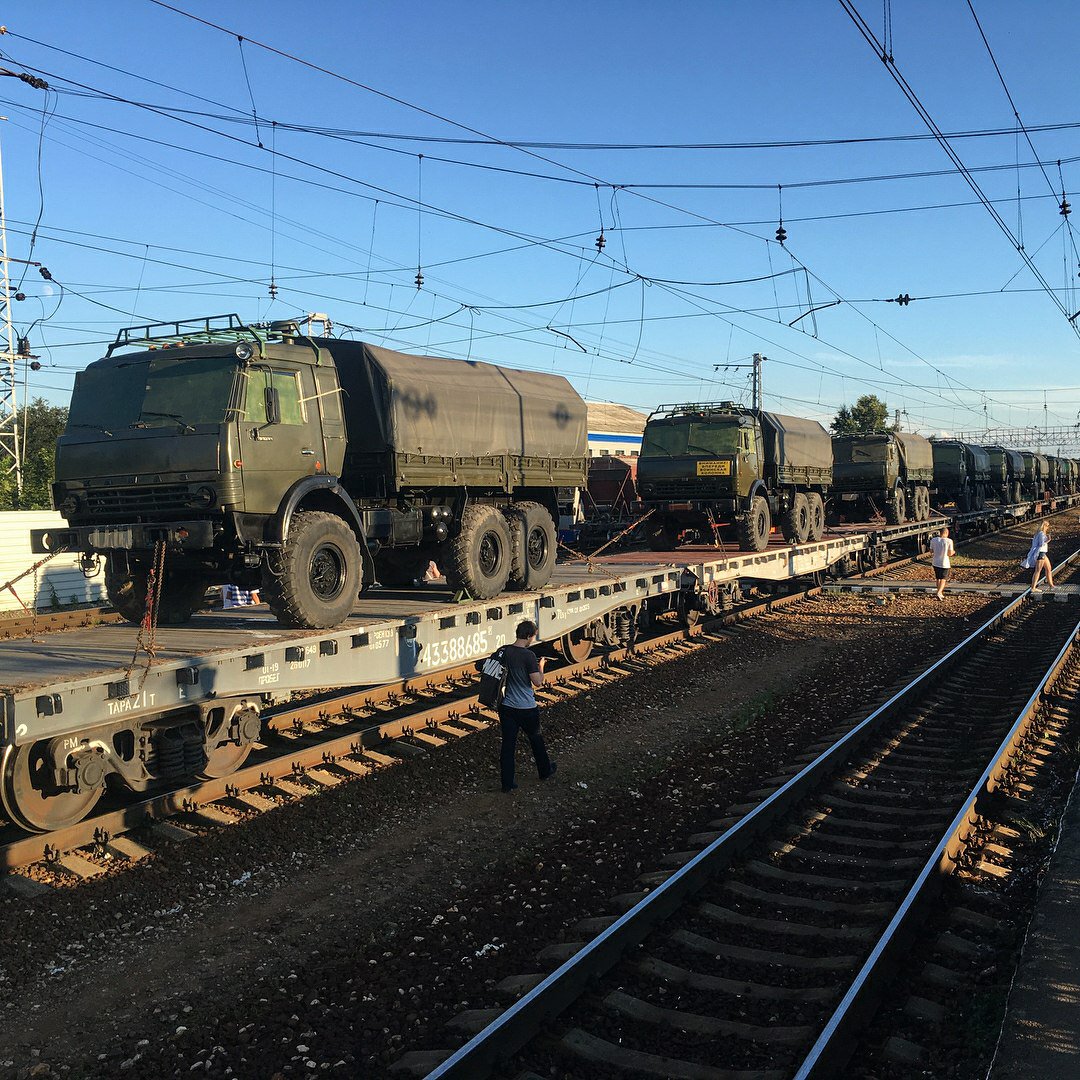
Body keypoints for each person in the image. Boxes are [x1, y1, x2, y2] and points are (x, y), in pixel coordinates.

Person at [498, 619, 557, 793]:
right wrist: (541, 667)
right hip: (526, 708)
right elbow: (537, 682)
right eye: (533, 636)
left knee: (508, 745)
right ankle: (545, 771)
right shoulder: (528, 656)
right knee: (536, 740)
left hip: (506, 706)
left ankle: (507, 783)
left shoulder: (504, 651)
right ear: (529, 636)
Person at [929, 525, 954, 601]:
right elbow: (949, 554)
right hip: (944, 563)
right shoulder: (949, 541)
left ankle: (939, 592)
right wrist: (953, 552)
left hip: (935, 562)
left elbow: (931, 551)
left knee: (938, 578)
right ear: (946, 533)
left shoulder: (933, 540)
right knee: (943, 579)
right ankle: (939, 592)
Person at [1031, 520, 1054, 593]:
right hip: (1041, 553)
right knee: (1038, 571)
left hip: (1043, 553)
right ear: (1044, 526)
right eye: (1047, 526)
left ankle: (1051, 585)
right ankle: (1033, 587)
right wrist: (1048, 540)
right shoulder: (1041, 534)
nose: (1048, 527)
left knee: (1048, 569)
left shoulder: (1040, 533)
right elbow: (1041, 544)